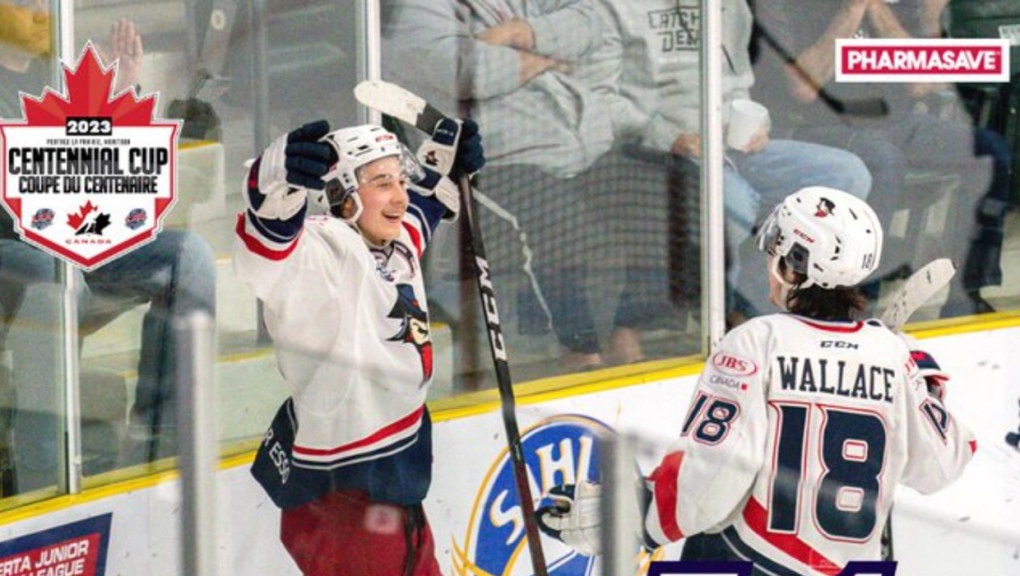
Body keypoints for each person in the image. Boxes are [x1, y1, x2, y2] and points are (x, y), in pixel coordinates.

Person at [536, 187, 976, 573]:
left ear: (795, 265)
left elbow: (713, 477)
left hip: (748, 562)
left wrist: (632, 514)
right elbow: (941, 464)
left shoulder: (756, 342)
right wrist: (919, 371)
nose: (769, 258)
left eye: (777, 250)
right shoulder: (892, 357)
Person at [235, 116, 484, 575]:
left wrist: (444, 169)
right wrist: (273, 183)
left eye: (400, 180)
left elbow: (422, 209)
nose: (400, 195)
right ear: (343, 195)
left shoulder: (393, 243)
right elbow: (265, 251)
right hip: (340, 500)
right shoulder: (322, 255)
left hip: (392, 484)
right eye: (382, 182)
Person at [0, 6, 217, 490]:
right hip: (13, 243)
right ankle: (44, 466)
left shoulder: (61, 75)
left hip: (79, 238)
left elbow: (116, 176)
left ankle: (159, 440)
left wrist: (122, 92)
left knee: (190, 256)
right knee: (57, 277)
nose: (40, 10)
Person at [592, 0, 873, 323]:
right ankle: (725, 325)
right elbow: (600, 99)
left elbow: (740, 86)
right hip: (664, 153)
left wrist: (758, 125)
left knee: (847, 176)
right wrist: (666, 136)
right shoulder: (612, 7)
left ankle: (759, 305)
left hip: (733, 147)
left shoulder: (727, 5)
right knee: (732, 201)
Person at [751, 0, 1013, 317]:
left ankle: (966, 295)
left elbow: (920, 84)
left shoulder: (893, 6)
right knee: (884, 162)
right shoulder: (793, 7)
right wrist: (851, 12)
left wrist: (881, 10)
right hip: (823, 126)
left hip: (900, 123)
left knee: (990, 151)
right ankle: (860, 304)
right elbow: (802, 88)